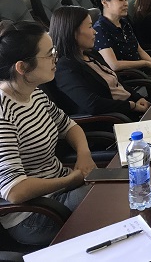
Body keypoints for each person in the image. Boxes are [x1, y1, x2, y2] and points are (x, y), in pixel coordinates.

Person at [0, 20, 95, 246]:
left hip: (62, 188)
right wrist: (69, 179)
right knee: (112, 199)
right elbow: (15, 191)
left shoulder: (34, 94)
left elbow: (69, 126)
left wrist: (84, 154)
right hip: (35, 214)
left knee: (122, 184)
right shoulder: (3, 112)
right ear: (22, 67)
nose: (56, 59)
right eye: (49, 54)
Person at [49, 6, 150, 119]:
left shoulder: (91, 54)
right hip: (114, 118)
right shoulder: (64, 67)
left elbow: (118, 83)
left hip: (128, 109)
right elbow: (92, 104)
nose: (95, 31)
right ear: (73, 32)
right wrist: (131, 106)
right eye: (90, 27)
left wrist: (138, 98)